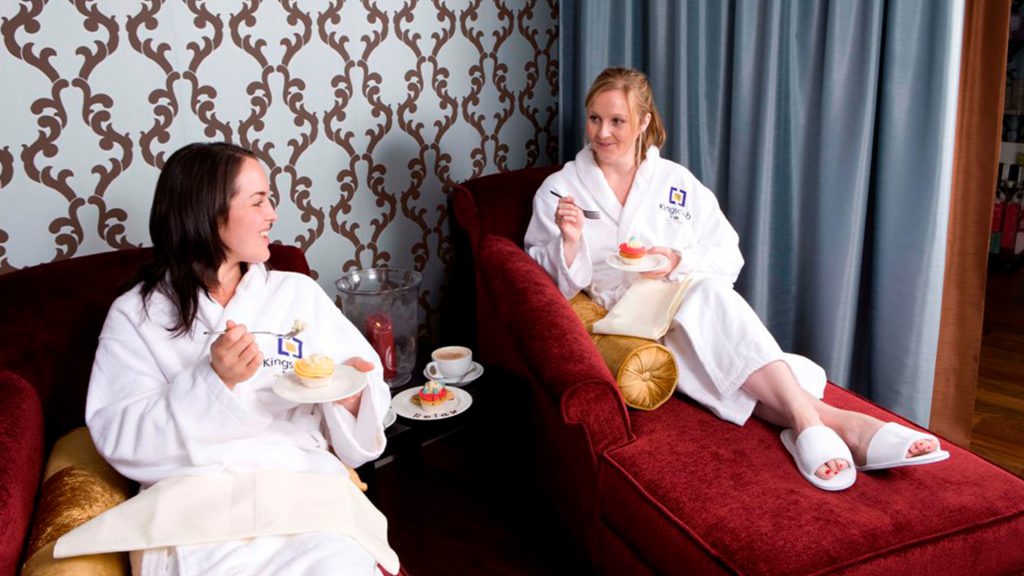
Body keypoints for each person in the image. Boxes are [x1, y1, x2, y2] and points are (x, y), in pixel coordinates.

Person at [524, 67, 948, 491]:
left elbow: (728, 252)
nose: (602, 133)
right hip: (625, 317)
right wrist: (571, 242)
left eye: (617, 120)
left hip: (683, 304)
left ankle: (821, 425)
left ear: (644, 121)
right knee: (707, 298)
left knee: (706, 306)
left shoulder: (676, 183)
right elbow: (544, 281)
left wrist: (677, 258)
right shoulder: (561, 189)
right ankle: (834, 424)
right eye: (595, 118)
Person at [83, 142, 397, 574]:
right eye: (258, 201)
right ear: (208, 213)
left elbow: (366, 391)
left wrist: (351, 401)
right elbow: (119, 436)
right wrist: (214, 383)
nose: (272, 214)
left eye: (270, 199)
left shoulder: (296, 293)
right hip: (193, 512)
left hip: (300, 495)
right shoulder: (137, 314)